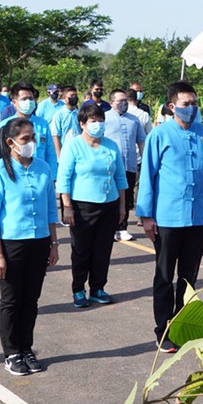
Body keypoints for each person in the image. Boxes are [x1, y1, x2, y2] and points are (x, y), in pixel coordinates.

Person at [137, 81, 203, 352]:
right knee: (164, 276)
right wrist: (146, 216)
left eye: (194, 103)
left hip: (197, 218)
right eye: (186, 104)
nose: (191, 108)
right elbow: (147, 176)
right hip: (167, 218)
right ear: (172, 106)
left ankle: (181, 325)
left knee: (188, 278)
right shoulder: (159, 135)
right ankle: (162, 330)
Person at [0, 117, 60, 375]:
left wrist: (54, 244)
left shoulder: (43, 168)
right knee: (11, 300)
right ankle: (12, 352)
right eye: (25, 139)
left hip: (39, 242)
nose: (31, 143)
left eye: (33, 138)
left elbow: (50, 210)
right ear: (10, 142)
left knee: (31, 299)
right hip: (11, 244)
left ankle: (26, 348)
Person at [57, 101, 127, 307]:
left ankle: (98, 287)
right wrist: (67, 207)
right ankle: (79, 289)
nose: (98, 124)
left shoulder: (111, 145)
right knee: (81, 250)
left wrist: (122, 206)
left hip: (109, 204)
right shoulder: (73, 145)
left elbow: (120, 178)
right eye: (93, 121)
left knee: (103, 250)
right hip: (82, 206)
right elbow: (64, 178)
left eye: (101, 120)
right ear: (82, 124)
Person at [106, 89, 145, 241]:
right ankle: (110, 228)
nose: (124, 103)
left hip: (129, 165)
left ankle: (122, 228)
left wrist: (145, 159)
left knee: (127, 197)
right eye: (120, 101)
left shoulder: (134, 120)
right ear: (111, 103)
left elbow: (141, 140)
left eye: (125, 100)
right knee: (112, 198)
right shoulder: (105, 118)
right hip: (111, 167)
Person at [50, 85, 81, 158]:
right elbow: (55, 136)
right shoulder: (59, 115)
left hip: (79, 150)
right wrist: (59, 155)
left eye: (75, 95)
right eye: (72, 95)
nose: (74, 97)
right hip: (66, 151)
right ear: (64, 98)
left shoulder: (79, 113)